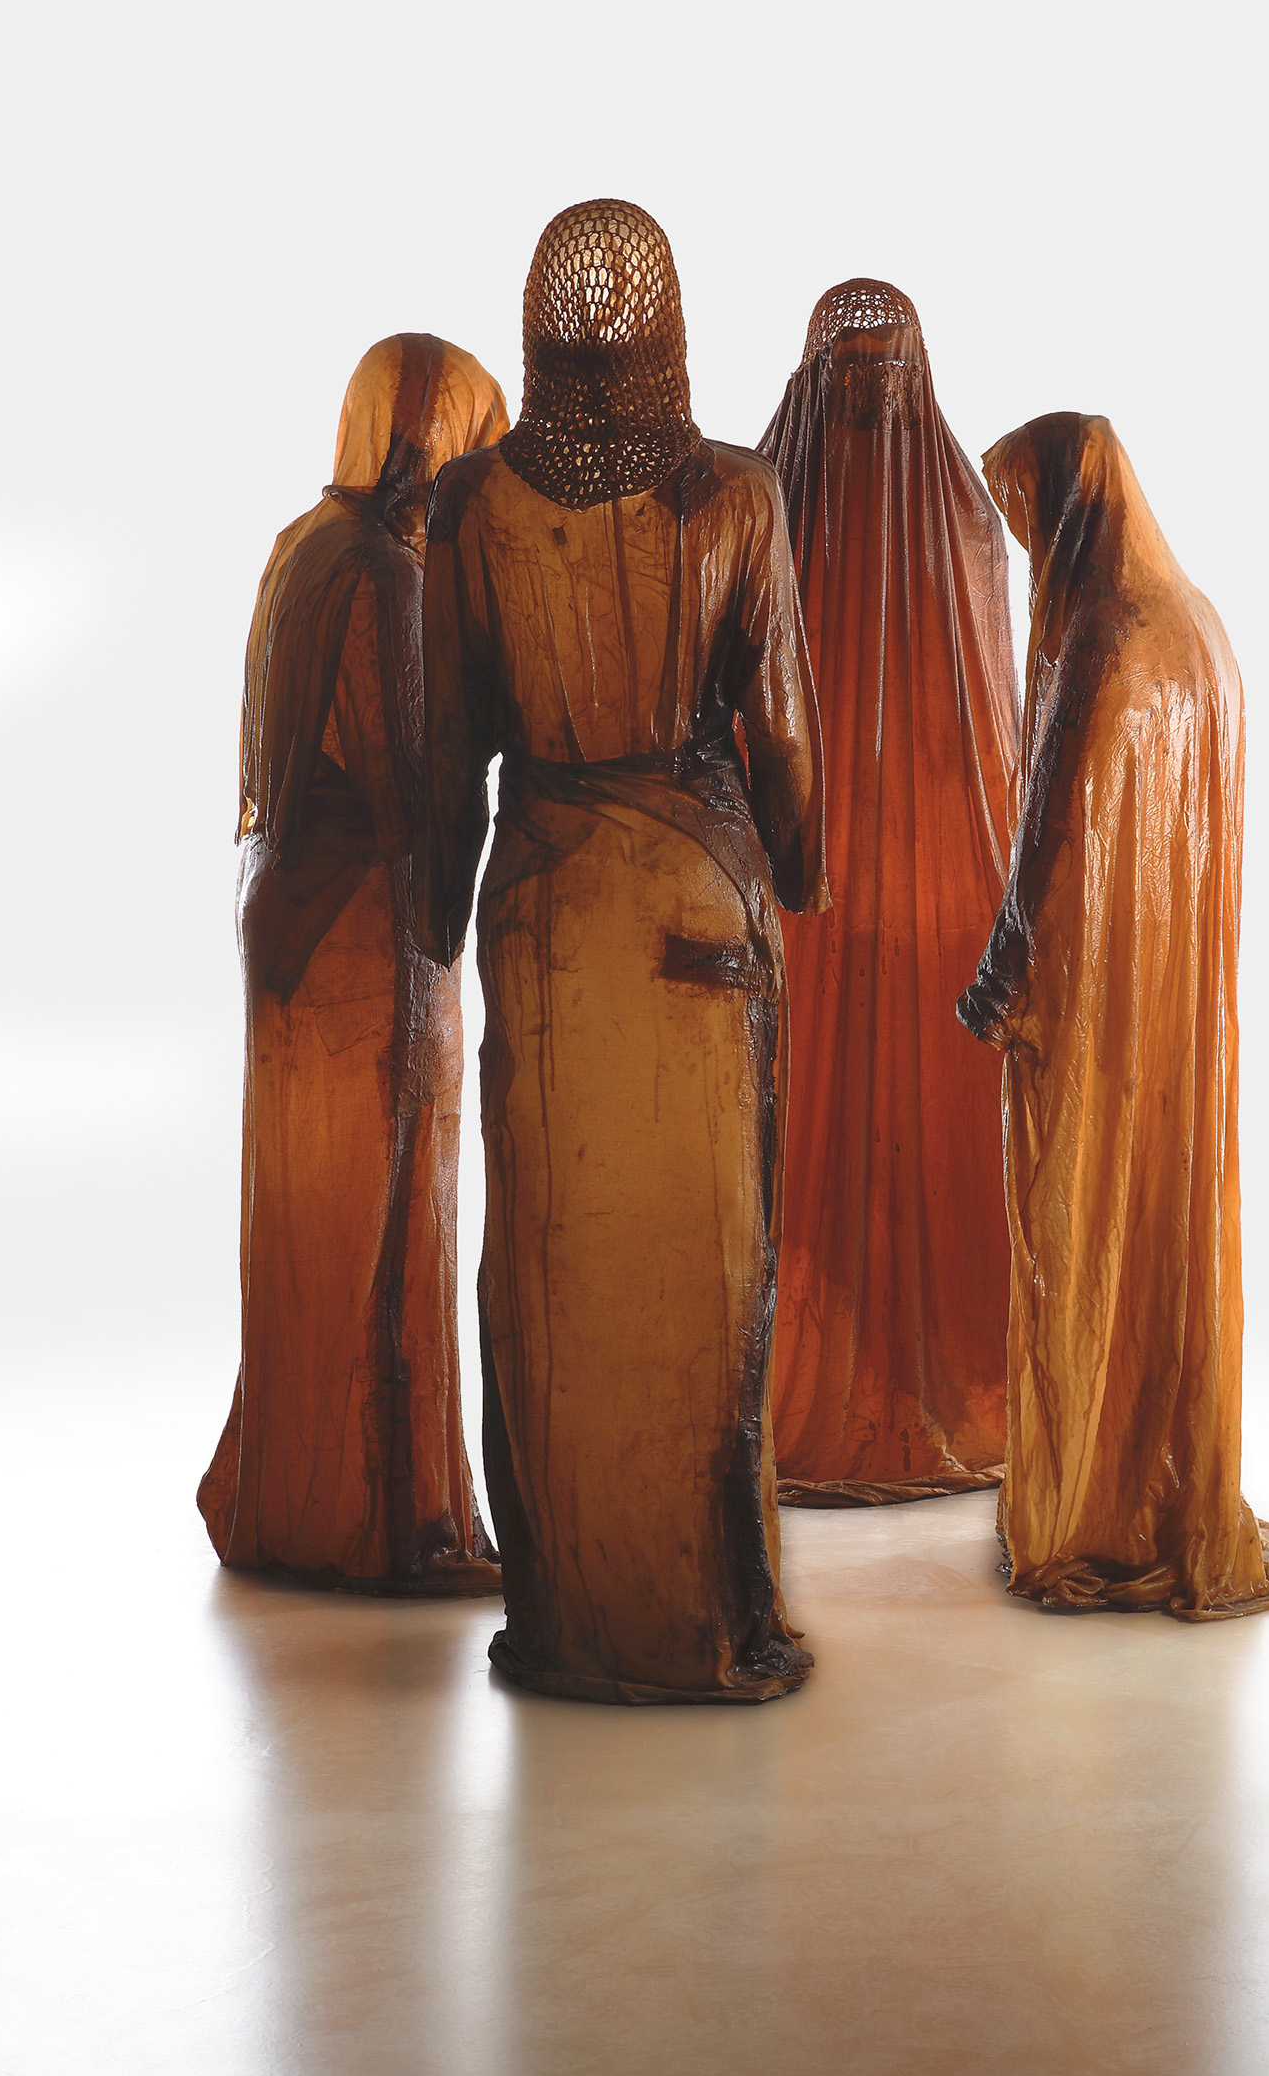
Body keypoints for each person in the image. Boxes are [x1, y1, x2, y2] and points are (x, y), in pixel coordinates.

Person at [417, 200, 827, 1703]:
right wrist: (801, 872)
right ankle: (707, 1612)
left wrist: (436, 909)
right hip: (698, 904)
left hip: (541, 909)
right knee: (708, 1263)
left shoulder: (470, 507)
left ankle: (573, 1614)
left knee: (554, 1261)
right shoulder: (737, 497)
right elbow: (783, 734)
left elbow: (445, 745)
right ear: (672, 330)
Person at [958, 412, 1269, 1617]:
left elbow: (1051, 832)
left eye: (1026, 518)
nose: (1026, 551)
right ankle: (1157, 1479)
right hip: (1173, 1006)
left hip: (1092, 999)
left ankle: (1088, 1508)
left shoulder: (1098, 634)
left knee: (1077, 1228)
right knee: (1160, 1221)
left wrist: (1002, 973)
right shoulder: (1195, 623)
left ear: (1066, 508)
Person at [199, 333, 508, 1595]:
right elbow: (405, 777)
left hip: (286, 918)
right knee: (385, 1214)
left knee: (311, 1217)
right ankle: (390, 1524)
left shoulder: (300, 545)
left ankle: (292, 1502)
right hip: (367, 931)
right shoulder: (384, 570)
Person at [759, 279, 1022, 1503]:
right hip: (815, 896)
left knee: (902, 1133)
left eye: (881, 378)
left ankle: (914, 1380)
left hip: (908, 901)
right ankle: (844, 1373)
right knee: (813, 1134)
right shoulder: (769, 507)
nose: (867, 402)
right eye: (849, 379)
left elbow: (989, 738)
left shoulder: (944, 521)